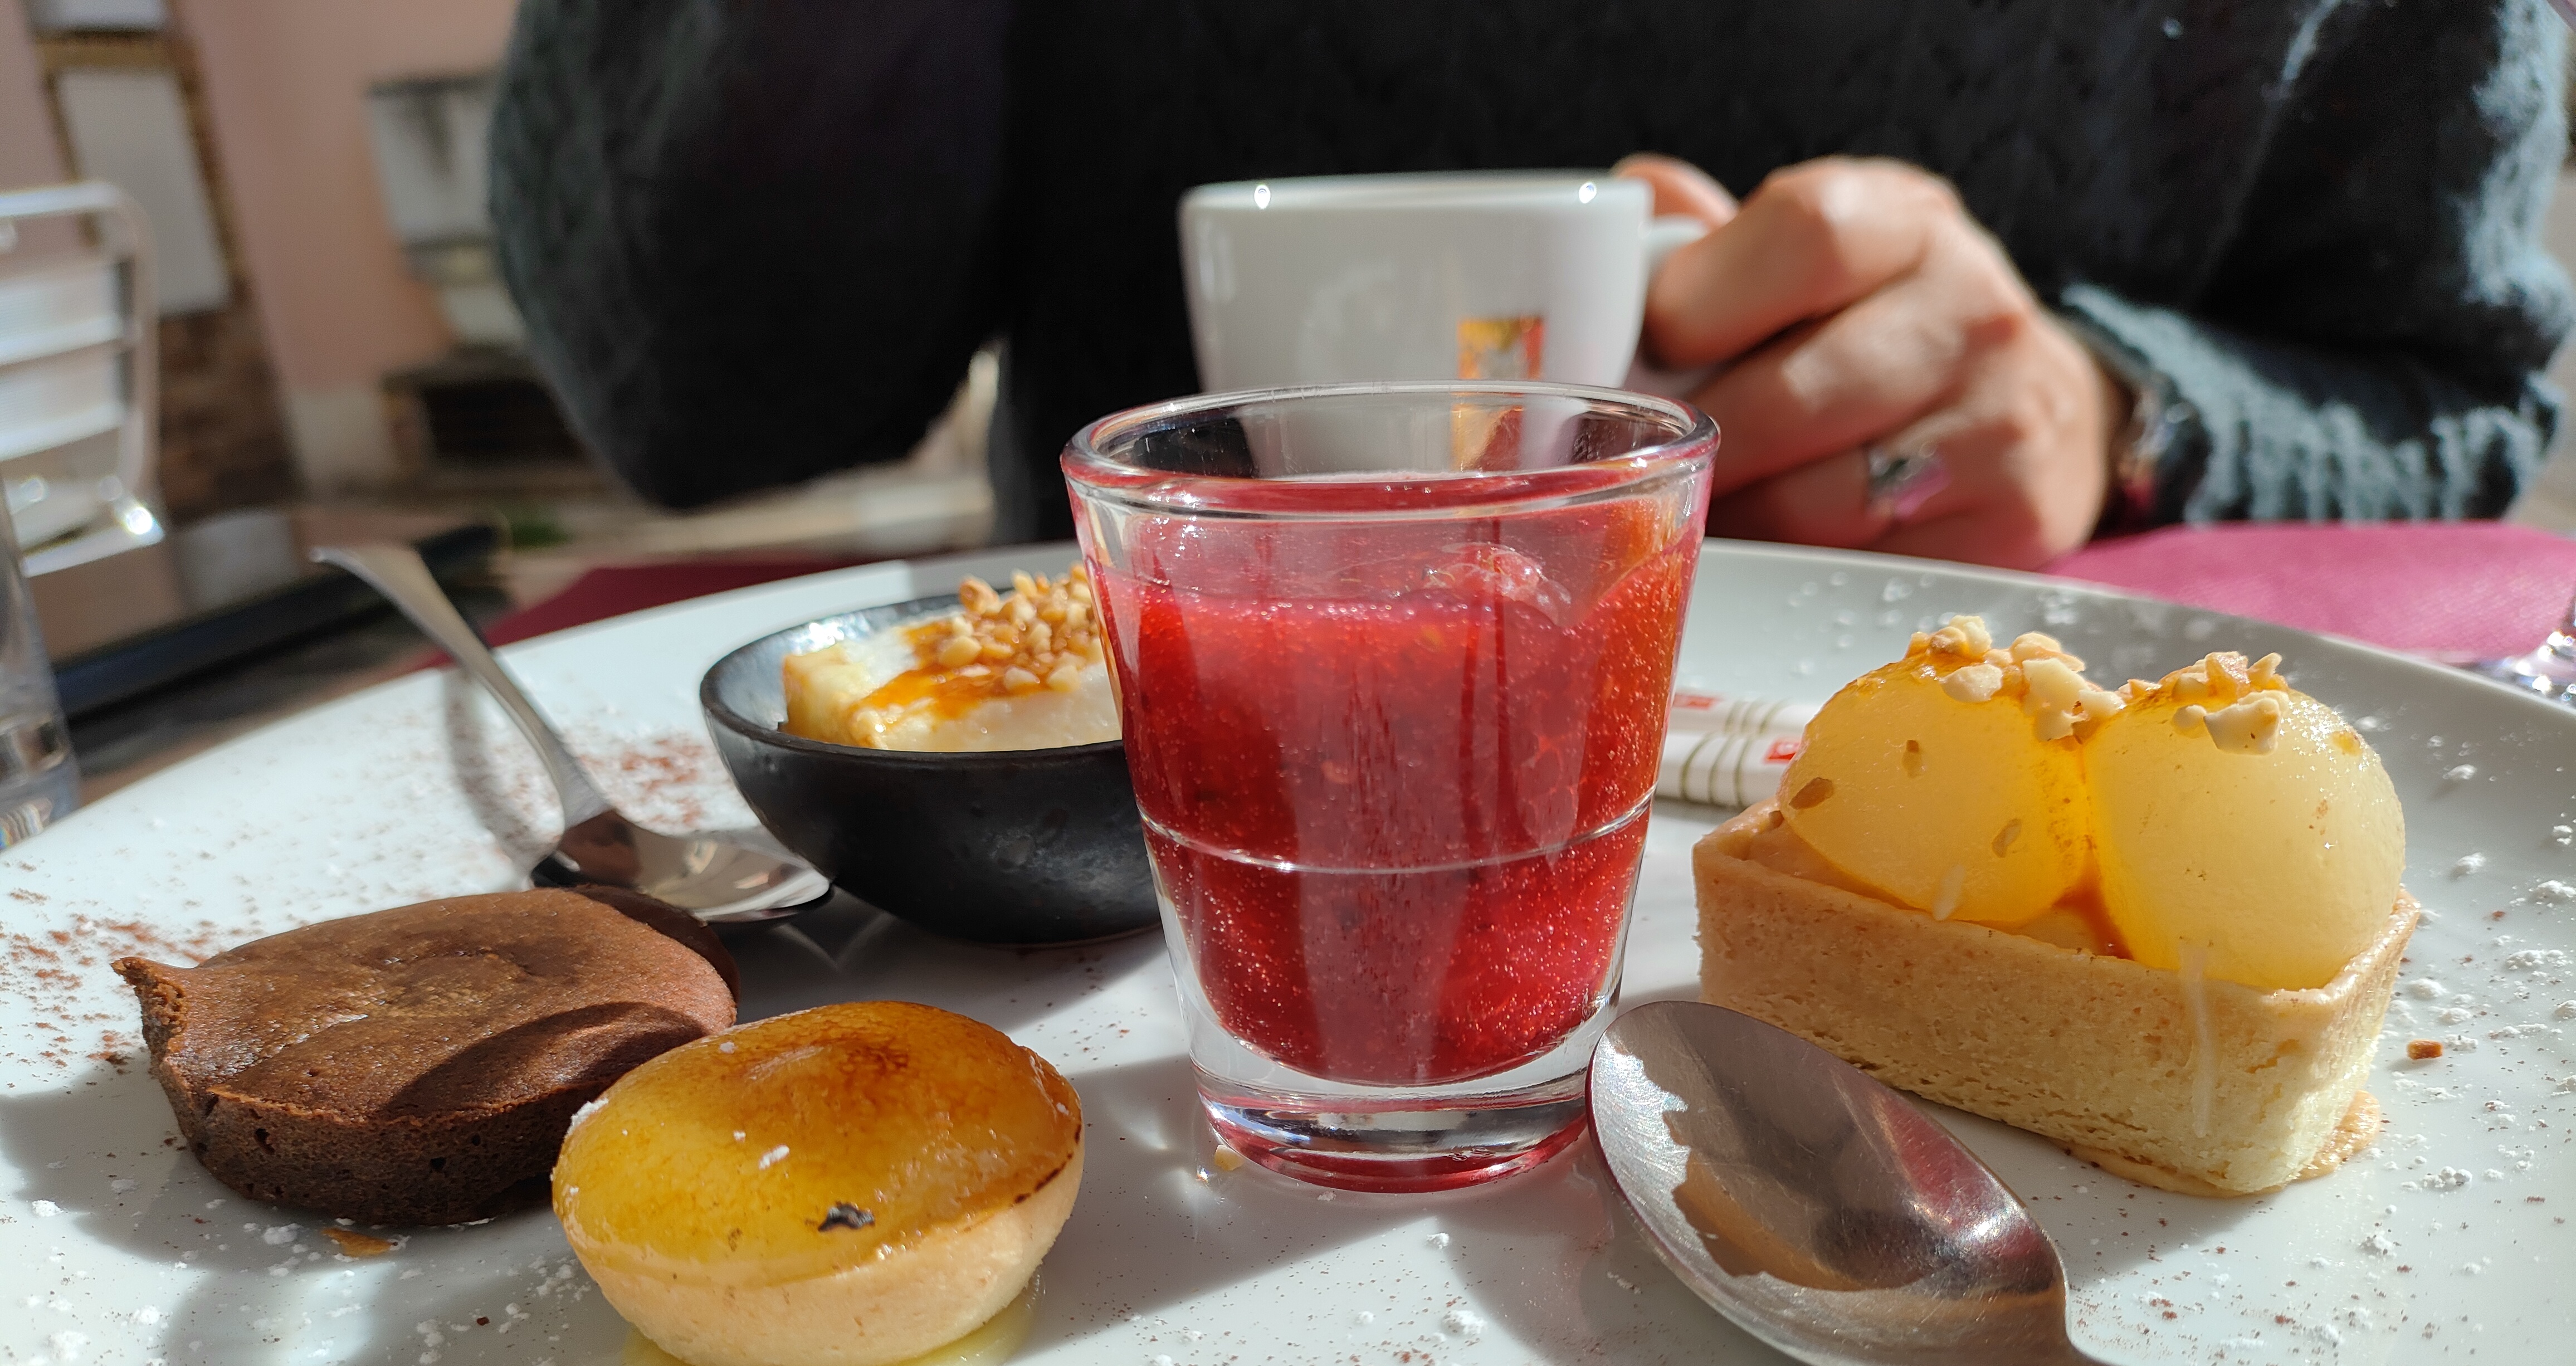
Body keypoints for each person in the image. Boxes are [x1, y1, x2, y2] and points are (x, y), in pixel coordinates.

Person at [488, 0, 2573, 570]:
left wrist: (2112, 407)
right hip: (1127, 924)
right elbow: (699, 394)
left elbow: (2464, 390)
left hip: (1962, 886)